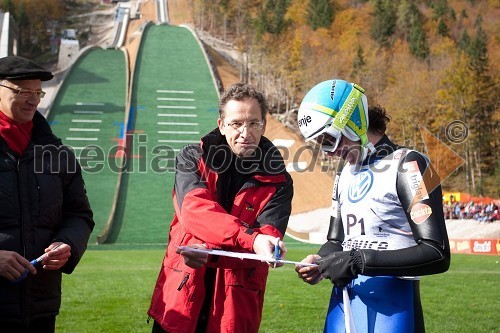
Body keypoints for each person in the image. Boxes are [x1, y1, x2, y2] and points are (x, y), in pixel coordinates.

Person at [295, 79, 450, 333]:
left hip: (395, 307)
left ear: (353, 121)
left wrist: (358, 261)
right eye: (320, 143)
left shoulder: (413, 163)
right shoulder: (344, 174)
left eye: (330, 139)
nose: (328, 153)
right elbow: (336, 240)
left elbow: (438, 253)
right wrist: (320, 260)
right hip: (344, 302)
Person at [148, 82, 294, 333]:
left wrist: (266, 247)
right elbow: (195, 211)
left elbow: (266, 242)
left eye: (253, 123)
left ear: (264, 126)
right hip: (181, 296)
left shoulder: (280, 180)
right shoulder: (192, 157)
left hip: (234, 310)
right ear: (222, 125)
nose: (245, 132)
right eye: (236, 123)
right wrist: (252, 239)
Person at [0, 56, 95, 332]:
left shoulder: (58, 154)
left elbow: (79, 214)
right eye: (23, 92)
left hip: (41, 305)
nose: (33, 100)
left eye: (37, 93)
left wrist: (68, 244)